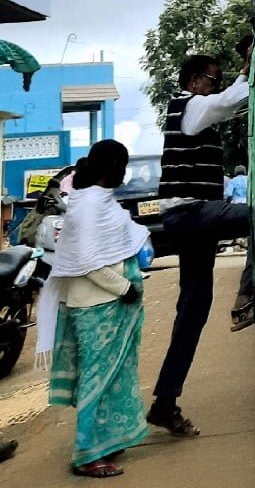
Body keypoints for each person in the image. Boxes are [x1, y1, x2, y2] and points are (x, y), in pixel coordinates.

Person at [147, 44, 254, 439]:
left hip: (195, 218)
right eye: (213, 78)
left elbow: (230, 104)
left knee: (193, 310)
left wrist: (241, 77)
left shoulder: (195, 112)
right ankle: (247, 296)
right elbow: (230, 101)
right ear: (194, 80)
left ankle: (164, 403)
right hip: (190, 215)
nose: (218, 85)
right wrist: (248, 74)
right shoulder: (189, 106)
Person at [35, 139, 150, 479]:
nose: (124, 171)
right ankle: (87, 453)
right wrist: (124, 287)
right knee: (97, 379)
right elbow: (86, 262)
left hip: (104, 303)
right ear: (110, 167)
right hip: (96, 304)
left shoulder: (95, 201)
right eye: (122, 164)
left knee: (113, 377)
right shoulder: (88, 207)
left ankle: (105, 441)